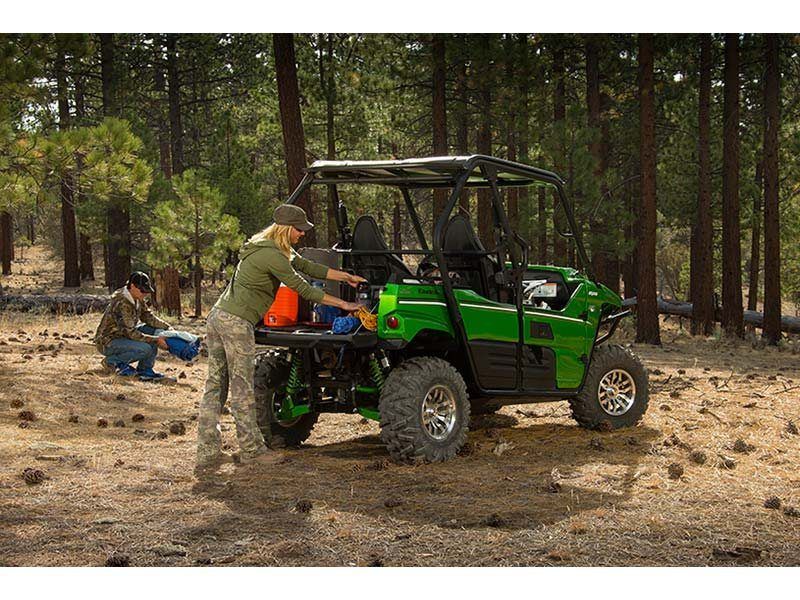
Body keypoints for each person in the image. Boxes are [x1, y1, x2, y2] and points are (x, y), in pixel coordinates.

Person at [196, 204, 366, 474]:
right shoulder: (273, 256)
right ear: (287, 229)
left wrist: (345, 276)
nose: (302, 234)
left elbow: (308, 266)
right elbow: (302, 287)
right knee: (241, 390)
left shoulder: (268, 247)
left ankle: (206, 452)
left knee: (215, 387)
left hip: (219, 316)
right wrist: (344, 305)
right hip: (236, 322)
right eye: (299, 230)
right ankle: (252, 452)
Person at [94, 271, 171, 380]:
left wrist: (167, 327)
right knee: (146, 348)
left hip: (123, 336)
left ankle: (145, 370)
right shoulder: (122, 302)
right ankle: (112, 362)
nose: (144, 294)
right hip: (108, 341)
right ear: (132, 286)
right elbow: (130, 332)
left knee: (153, 330)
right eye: (142, 290)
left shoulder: (137, 298)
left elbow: (148, 317)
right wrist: (156, 340)